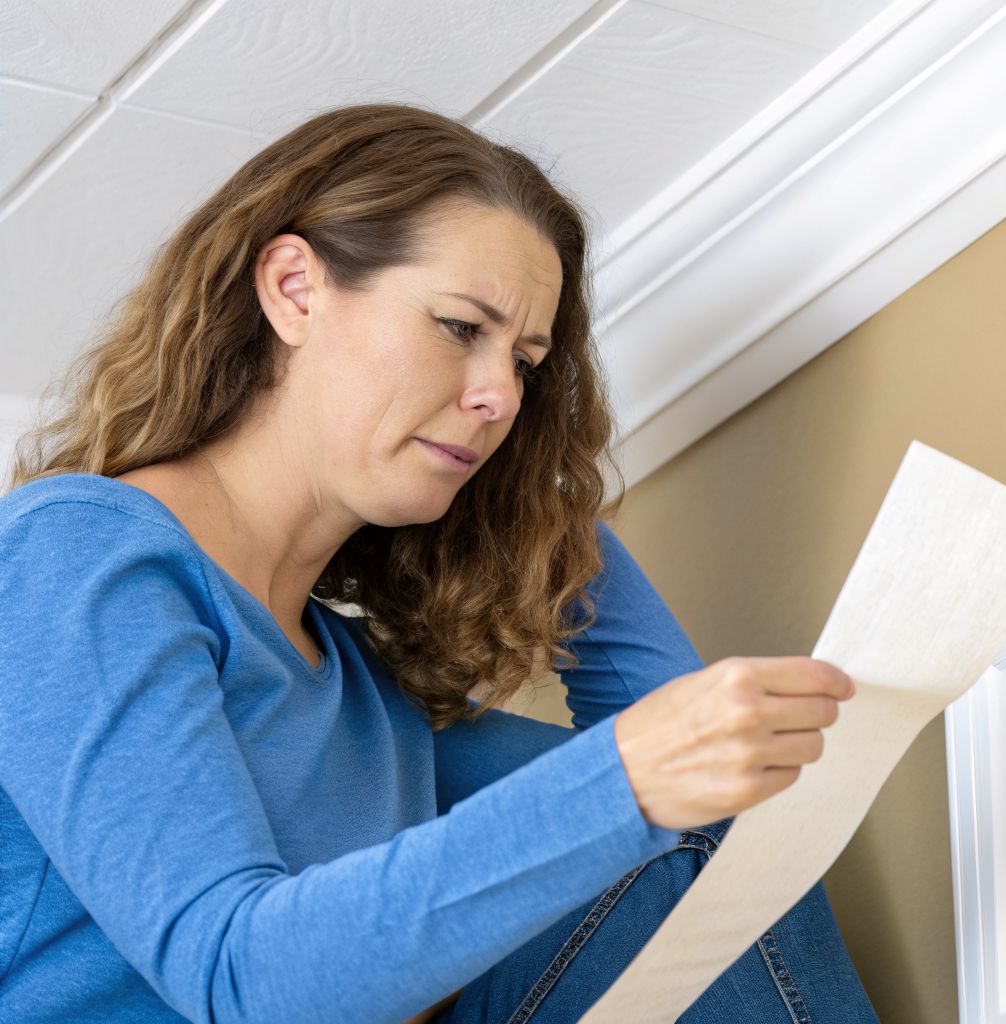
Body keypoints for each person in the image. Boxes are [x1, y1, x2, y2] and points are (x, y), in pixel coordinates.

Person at [0, 102, 881, 1024]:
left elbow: (707, 827)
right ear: (296, 290)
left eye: (527, 362)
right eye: (462, 327)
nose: (500, 395)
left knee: (705, 842)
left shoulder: (370, 709)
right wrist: (626, 781)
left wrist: (533, 500)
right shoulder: (75, 552)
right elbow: (239, 977)